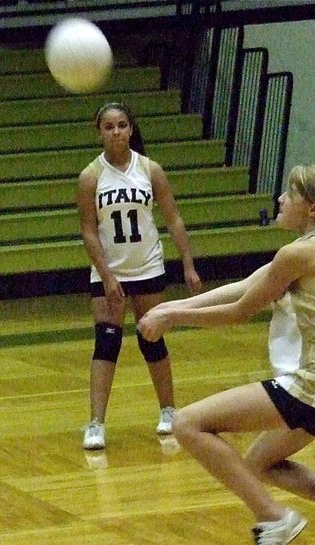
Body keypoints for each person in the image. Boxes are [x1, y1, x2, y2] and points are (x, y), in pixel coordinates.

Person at [137, 160, 315, 545]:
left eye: (289, 194)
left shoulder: (301, 253)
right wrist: (171, 306)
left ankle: (273, 520)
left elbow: (240, 311)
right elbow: (245, 286)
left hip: (310, 386)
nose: (280, 199)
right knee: (257, 463)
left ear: (312, 208)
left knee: (188, 424)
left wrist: (171, 321)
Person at [78, 101, 201, 451]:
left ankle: (168, 410)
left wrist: (188, 264)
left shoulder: (150, 170)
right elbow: (88, 230)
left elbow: (173, 218)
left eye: (121, 125)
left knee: (152, 339)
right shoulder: (90, 177)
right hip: (109, 271)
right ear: (99, 132)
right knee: (106, 341)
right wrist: (105, 274)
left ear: (131, 129)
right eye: (108, 126)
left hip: (147, 266)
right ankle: (96, 423)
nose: (116, 132)